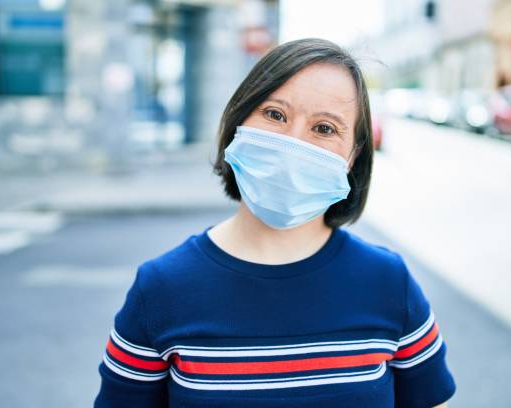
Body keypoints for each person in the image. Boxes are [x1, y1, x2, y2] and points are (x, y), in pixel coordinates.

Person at [94, 38, 456, 408]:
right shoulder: (160, 290)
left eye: (325, 129)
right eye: (275, 115)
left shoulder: (389, 284)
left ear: (352, 157)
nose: (293, 143)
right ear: (238, 120)